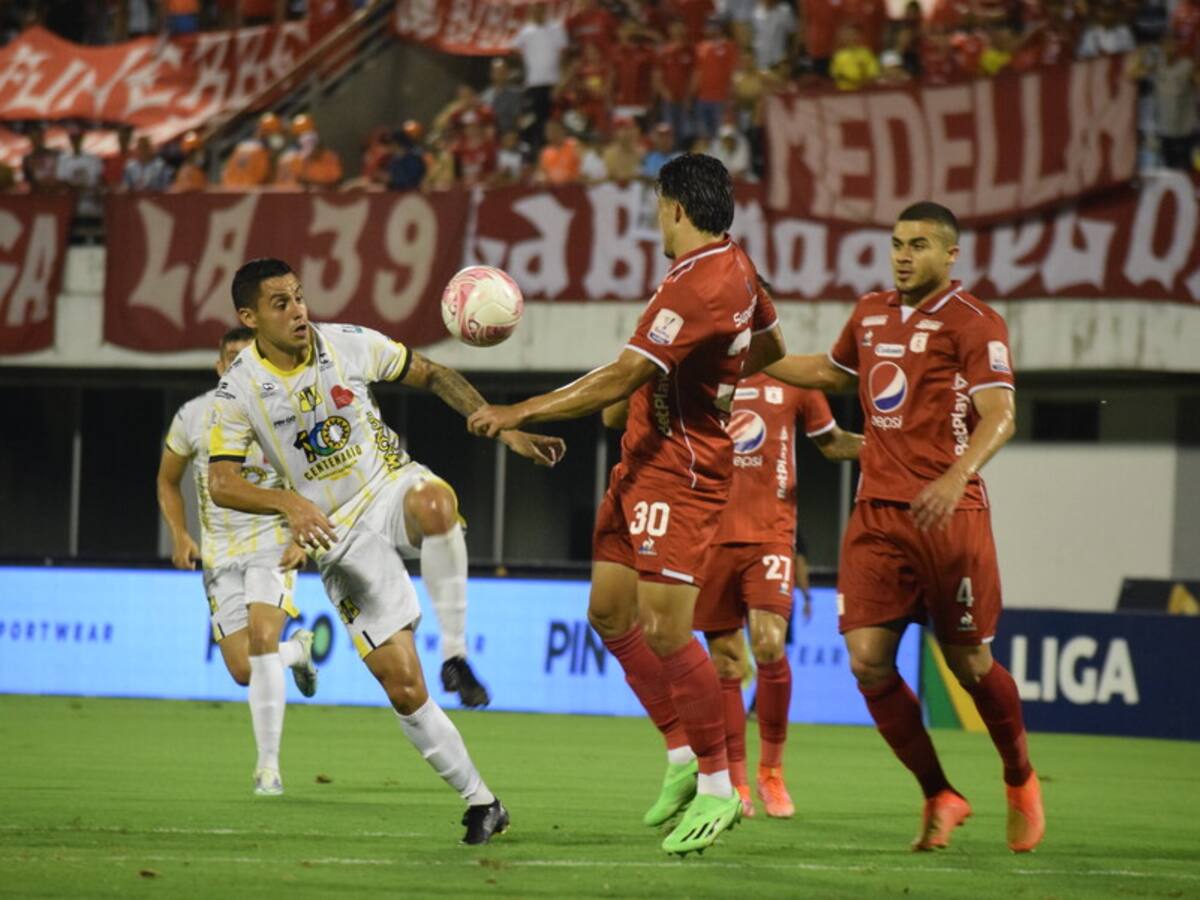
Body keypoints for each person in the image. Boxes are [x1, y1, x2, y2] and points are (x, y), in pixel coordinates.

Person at [467, 154, 786, 855]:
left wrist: (517, 411)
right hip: (642, 462)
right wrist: (708, 379)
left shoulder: (699, 284)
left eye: (656, 206)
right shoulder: (737, 268)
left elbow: (622, 373)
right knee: (609, 613)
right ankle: (680, 755)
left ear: (674, 206)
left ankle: (717, 786)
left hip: (681, 473)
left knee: (668, 631)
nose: (654, 219)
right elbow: (770, 345)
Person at [206, 259, 566, 842]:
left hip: (387, 487)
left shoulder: (347, 342)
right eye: (280, 304)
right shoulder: (237, 390)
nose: (298, 310)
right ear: (248, 317)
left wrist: (505, 430)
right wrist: (287, 505)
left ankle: (456, 653)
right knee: (402, 686)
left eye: (300, 297)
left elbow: (432, 373)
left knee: (436, 508)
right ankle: (482, 801)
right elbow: (221, 482)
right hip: (335, 535)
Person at [764, 201, 1045, 853]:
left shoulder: (976, 323)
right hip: (878, 517)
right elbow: (831, 375)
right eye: (896, 243)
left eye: (918, 244)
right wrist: (754, 358)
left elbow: (1001, 414)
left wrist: (955, 475)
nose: (902, 254)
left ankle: (1019, 778)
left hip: (951, 517)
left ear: (951, 255)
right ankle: (940, 793)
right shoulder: (869, 313)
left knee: (971, 662)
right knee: (867, 662)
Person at [603, 371, 860, 820]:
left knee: (767, 642)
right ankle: (735, 781)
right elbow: (613, 414)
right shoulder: (695, 371)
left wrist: (898, 451)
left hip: (770, 534)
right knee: (724, 659)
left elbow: (832, 441)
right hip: (707, 532)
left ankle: (772, 772)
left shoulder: (792, 375)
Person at [156, 326, 318, 796]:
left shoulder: (287, 412)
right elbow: (168, 481)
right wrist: (181, 533)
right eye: (233, 358)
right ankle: (299, 652)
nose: (240, 366)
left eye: (250, 358)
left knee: (265, 638)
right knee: (245, 669)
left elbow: (316, 481)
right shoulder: (193, 416)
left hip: (272, 541)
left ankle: (268, 767)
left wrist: (304, 539)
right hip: (220, 554)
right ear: (220, 365)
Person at [55, 125, 104, 222]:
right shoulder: (63, 160)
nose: (75, 140)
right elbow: (61, 182)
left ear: (82, 138)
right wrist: (78, 189)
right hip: (71, 206)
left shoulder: (93, 159)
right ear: (70, 139)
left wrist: (97, 192)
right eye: (73, 137)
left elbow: (99, 180)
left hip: (92, 203)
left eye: (78, 137)